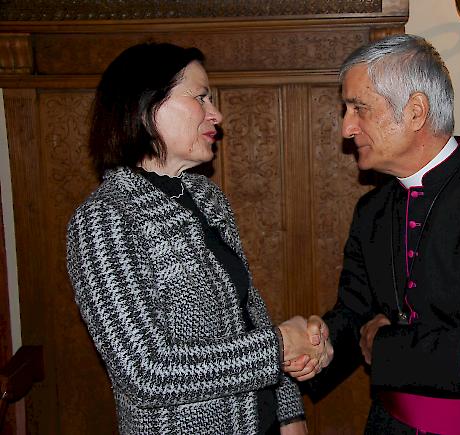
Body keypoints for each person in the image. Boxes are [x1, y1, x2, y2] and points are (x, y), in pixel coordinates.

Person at [296, 34, 460, 434]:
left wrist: (384, 347)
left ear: (416, 112)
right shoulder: (372, 211)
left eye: (359, 108)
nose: (347, 127)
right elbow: (355, 313)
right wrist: (313, 348)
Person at [66, 42, 331, 435]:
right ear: (146, 106)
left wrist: (290, 411)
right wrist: (278, 348)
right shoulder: (104, 219)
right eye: (201, 97)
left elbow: (248, 312)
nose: (216, 114)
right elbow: (145, 373)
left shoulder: (206, 198)